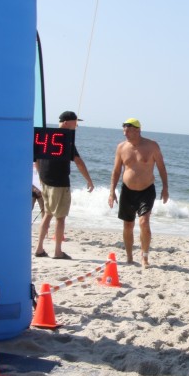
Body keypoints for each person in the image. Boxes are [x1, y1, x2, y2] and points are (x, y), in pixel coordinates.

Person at [108, 118, 168, 268]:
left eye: (128, 131)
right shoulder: (121, 147)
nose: (125, 134)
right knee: (128, 225)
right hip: (127, 190)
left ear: (138, 130)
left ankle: (144, 257)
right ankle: (129, 257)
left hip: (146, 190)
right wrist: (112, 191)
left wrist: (165, 188)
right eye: (124, 131)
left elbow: (161, 167)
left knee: (144, 222)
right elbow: (116, 171)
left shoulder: (152, 146)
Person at [35, 111, 94, 259]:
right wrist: (89, 180)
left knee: (47, 214)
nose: (77, 125)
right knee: (60, 218)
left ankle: (39, 248)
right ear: (66, 122)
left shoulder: (47, 136)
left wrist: (41, 177)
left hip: (45, 181)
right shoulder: (65, 139)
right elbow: (78, 161)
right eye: (75, 121)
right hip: (59, 183)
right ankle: (57, 251)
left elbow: (37, 159)